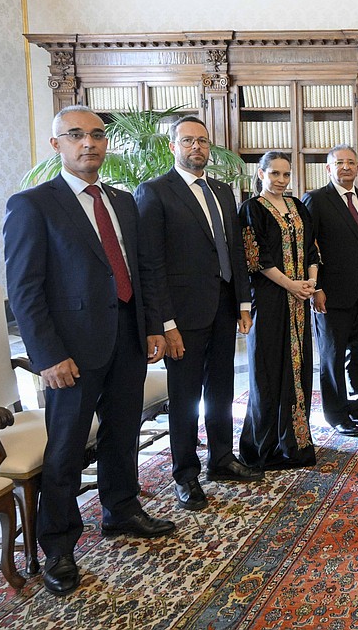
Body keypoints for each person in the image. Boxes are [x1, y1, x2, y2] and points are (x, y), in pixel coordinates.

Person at [3, 105, 174, 596]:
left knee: (122, 432)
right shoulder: (33, 205)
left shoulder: (121, 201)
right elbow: (27, 290)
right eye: (75, 135)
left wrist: (153, 327)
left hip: (126, 340)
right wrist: (47, 356)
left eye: (97, 135)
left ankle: (120, 510)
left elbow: (139, 272)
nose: (89, 143)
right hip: (71, 353)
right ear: (57, 145)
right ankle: (57, 546)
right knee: (65, 450)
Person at [135, 115, 264, 512]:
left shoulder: (224, 192)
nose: (198, 148)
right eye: (188, 141)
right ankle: (185, 474)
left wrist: (244, 303)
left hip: (224, 309)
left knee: (222, 390)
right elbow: (150, 264)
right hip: (182, 317)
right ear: (173, 147)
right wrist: (165, 322)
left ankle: (221, 459)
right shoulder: (154, 192)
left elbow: (235, 253)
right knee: (186, 397)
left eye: (203, 142)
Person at [239, 152, 320, 470]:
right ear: (260, 174)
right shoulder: (251, 209)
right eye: (274, 174)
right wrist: (291, 284)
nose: (281, 181)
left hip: (300, 301)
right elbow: (255, 258)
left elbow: (313, 248)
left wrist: (311, 281)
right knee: (268, 370)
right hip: (270, 301)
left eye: (286, 175)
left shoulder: (299, 207)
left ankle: (295, 443)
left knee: (297, 370)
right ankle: (263, 447)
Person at [302, 145, 358, 437]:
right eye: (339, 163)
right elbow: (307, 249)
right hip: (331, 296)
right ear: (329, 168)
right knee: (333, 357)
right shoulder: (315, 200)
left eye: (351, 163)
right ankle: (336, 414)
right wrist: (317, 288)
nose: (346, 167)